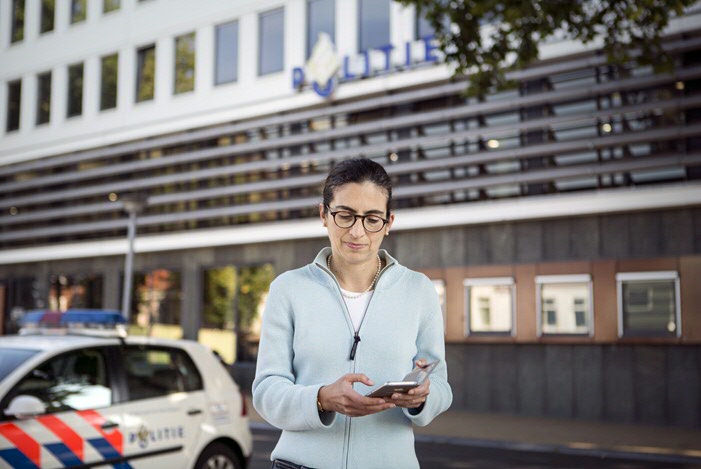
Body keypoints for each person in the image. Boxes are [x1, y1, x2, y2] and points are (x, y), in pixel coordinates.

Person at [252, 157, 453, 469]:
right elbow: (266, 391)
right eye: (345, 215)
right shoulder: (288, 289)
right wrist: (321, 398)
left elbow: (439, 382)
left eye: (372, 219)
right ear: (324, 214)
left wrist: (423, 397)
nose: (358, 232)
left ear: (388, 223)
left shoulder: (418, 290)